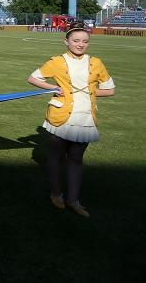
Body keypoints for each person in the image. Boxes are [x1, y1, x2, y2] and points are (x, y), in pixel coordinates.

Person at [27, 21, 115, 218]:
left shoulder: (96, 63)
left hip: (85, 116)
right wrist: (54, 88)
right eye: (76, 40)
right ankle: (56, 193)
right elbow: (33, 78)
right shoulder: (57, 61)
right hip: (61, 116)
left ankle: (73, 200)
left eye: (84, 41)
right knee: (56, 156)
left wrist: (90, 92)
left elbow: (110, 89)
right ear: (66, 41)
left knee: (76, 159)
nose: (80, 44)